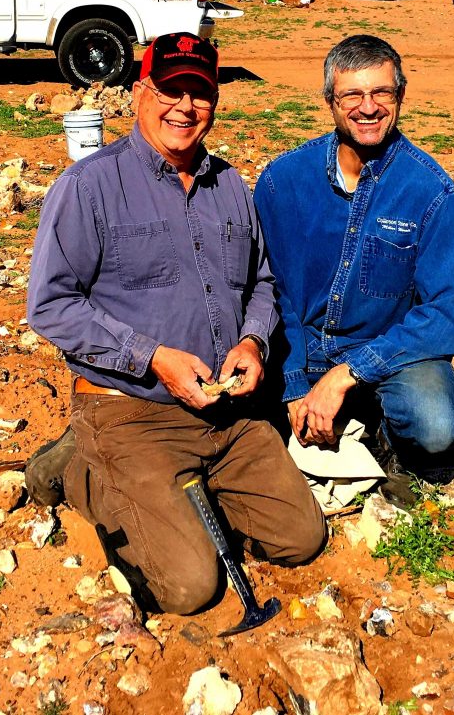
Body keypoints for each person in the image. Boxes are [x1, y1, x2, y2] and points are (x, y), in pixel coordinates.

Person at [25, 32, 326, 615]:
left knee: (300, 538)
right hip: (133, 411)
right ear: (140, 92)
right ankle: (80, 467)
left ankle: (178, 493)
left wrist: (252, 341)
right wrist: (152, 357)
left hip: (225, 413)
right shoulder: (89, 186)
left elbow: (262, 282)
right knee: (190, 587)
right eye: (170, 89)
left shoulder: (230, 185)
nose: (184, 107)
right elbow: (51, 304)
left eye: (200, 93)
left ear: (215, 102)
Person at [253, 34, 454, 504]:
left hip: (384, 355)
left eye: (381, 93)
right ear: (330, 102)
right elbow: (270, 289)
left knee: (436, 424)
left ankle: (384, 432)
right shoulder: (282, 181)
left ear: (400, 96)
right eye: (352, 94)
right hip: (298, 348)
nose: (368, 107)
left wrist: (347, 374)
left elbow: (443, 313)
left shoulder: (430, 192)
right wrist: (293, 385)